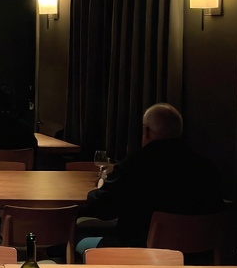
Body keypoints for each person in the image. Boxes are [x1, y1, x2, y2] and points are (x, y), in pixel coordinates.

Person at [77, 103, 222, 251]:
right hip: (197, 256)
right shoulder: (207, 168)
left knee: (78, 238)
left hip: (138, 252)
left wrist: (99, 188)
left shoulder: (133, 165)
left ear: (146, 131)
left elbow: (102, 210)